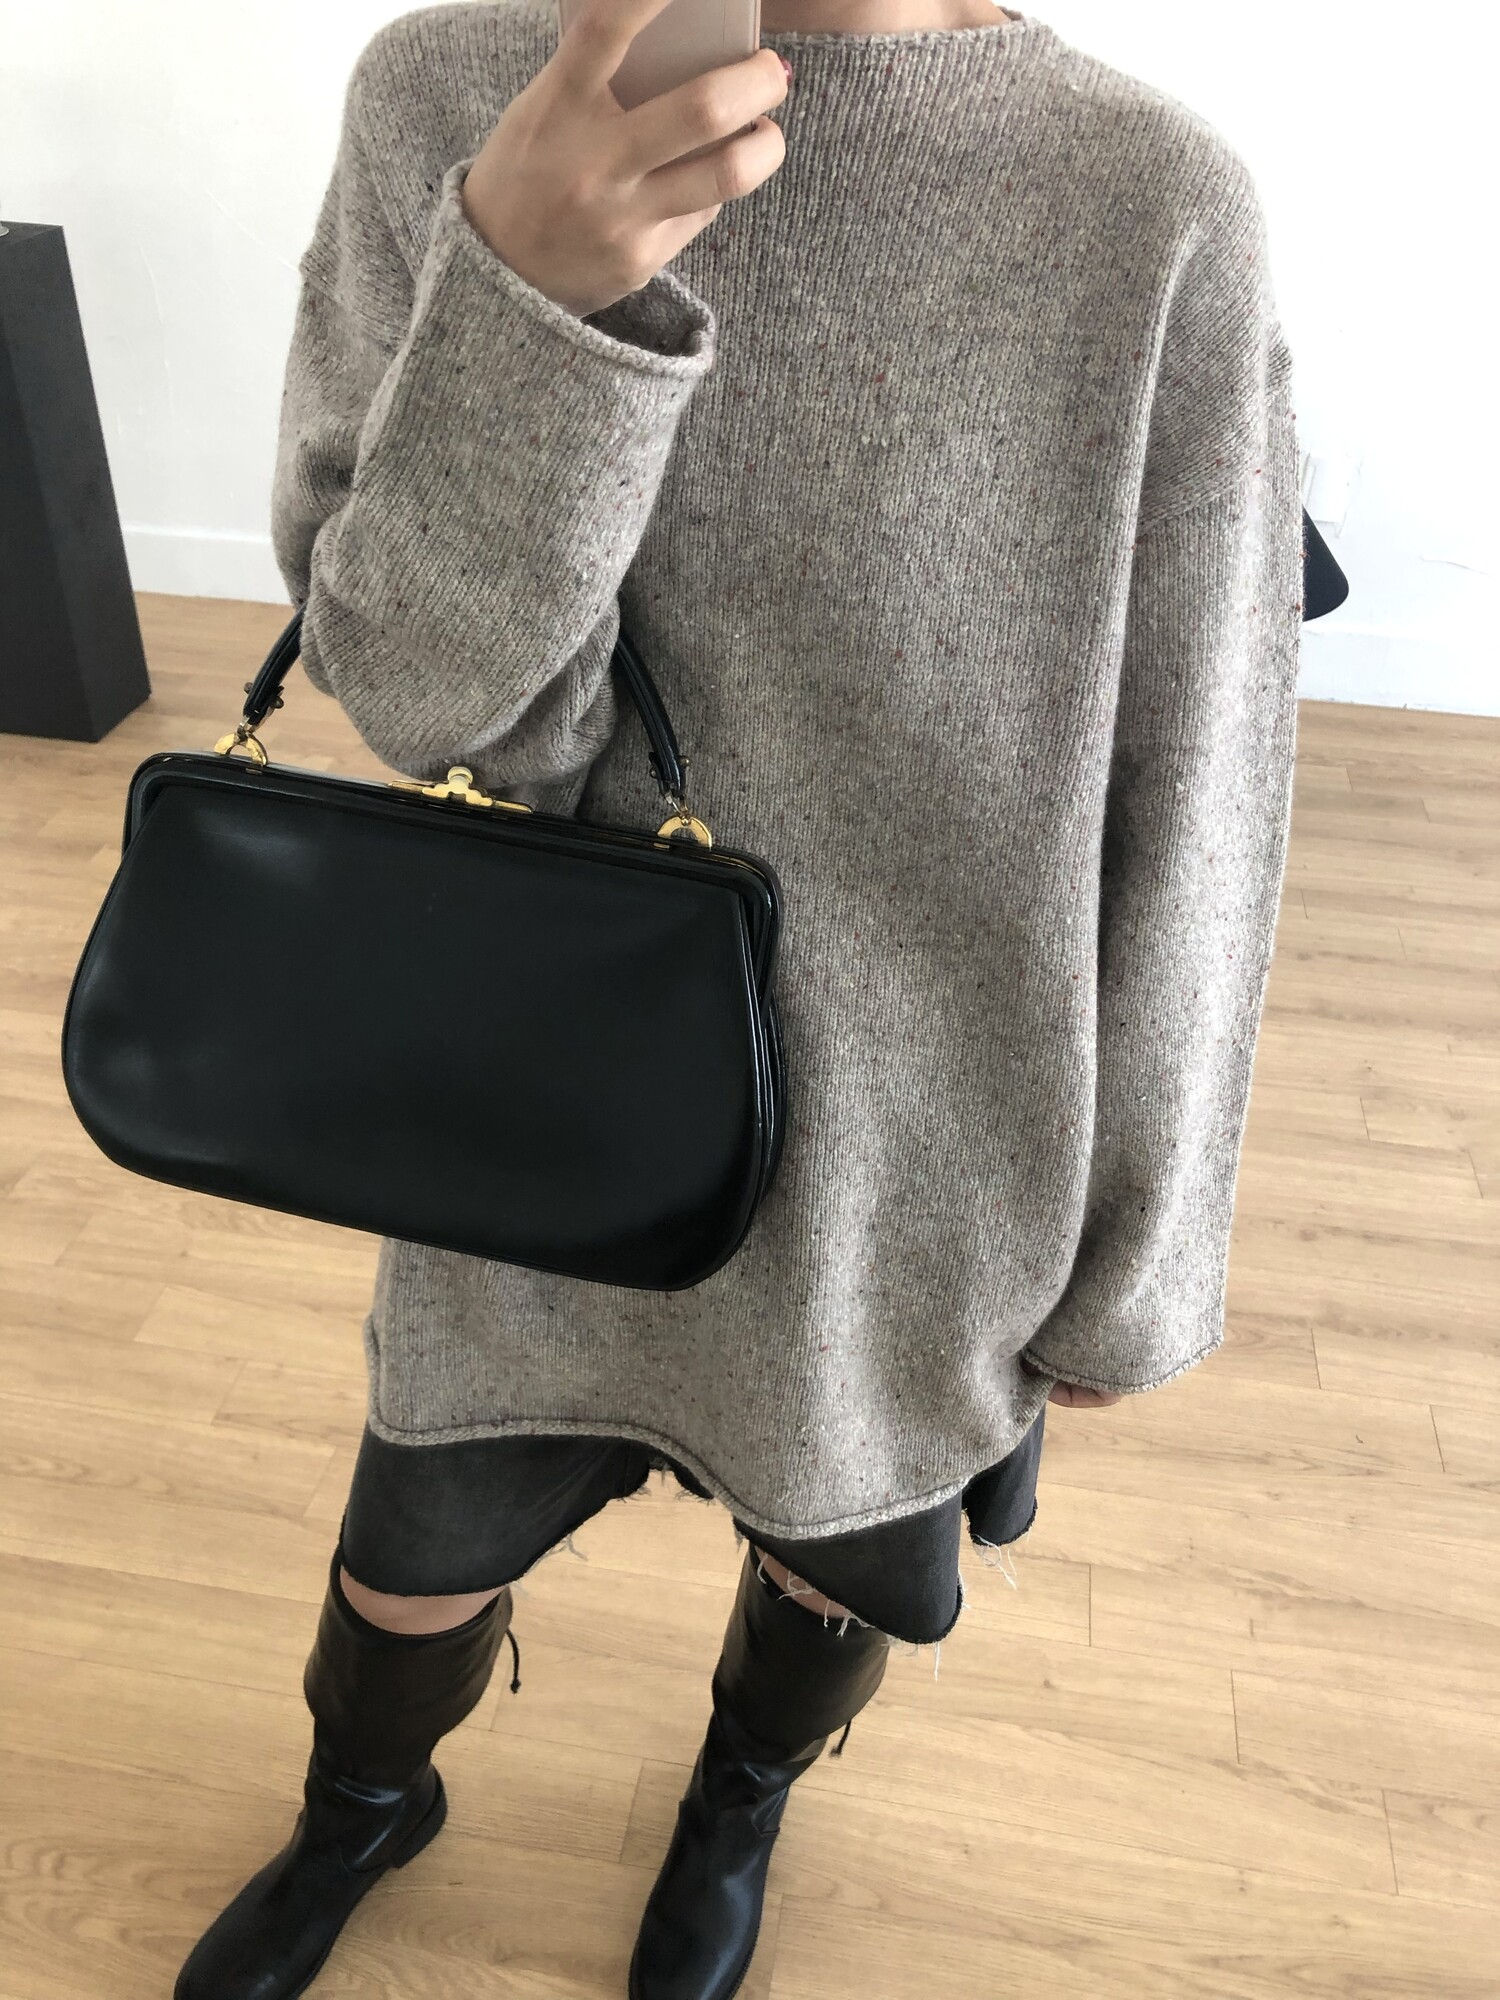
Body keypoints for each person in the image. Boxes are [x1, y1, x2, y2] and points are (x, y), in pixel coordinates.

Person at [174, 0, 1302, 1994]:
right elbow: (432, 703)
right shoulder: (448, 99)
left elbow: (1197, 781)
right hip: (535, 1085)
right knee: (419, 1538)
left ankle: (737, 1801)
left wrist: (1146, 1250)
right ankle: (361, 1802)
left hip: (921, 1121)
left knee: (831, 1539)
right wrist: (538, 298)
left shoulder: (1150, 206)